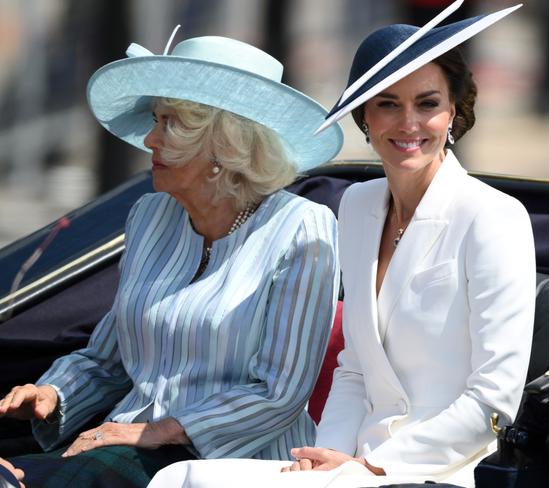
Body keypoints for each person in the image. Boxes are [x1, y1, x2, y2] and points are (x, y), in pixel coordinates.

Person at [147, 4, 536, 488]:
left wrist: (375, 465)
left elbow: (493, 400)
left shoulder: (493, 217)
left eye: (428, 103)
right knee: (179, 476)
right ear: (364, 116)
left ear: (454, 111)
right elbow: (355, 367)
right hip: (353, 464)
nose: (408, 123)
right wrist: (326, 453)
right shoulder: (357, 204)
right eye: (388, 103)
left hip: (442, 470)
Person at [0, 31, 343, 487]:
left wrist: (160, 430)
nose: (149, 138)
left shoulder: (302, 226)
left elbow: (279, 391)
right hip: (126, 442)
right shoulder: (150, 215)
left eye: (169, 123)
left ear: (224, 145)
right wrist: (52, 393)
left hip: (234, 461)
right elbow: (109, 359)